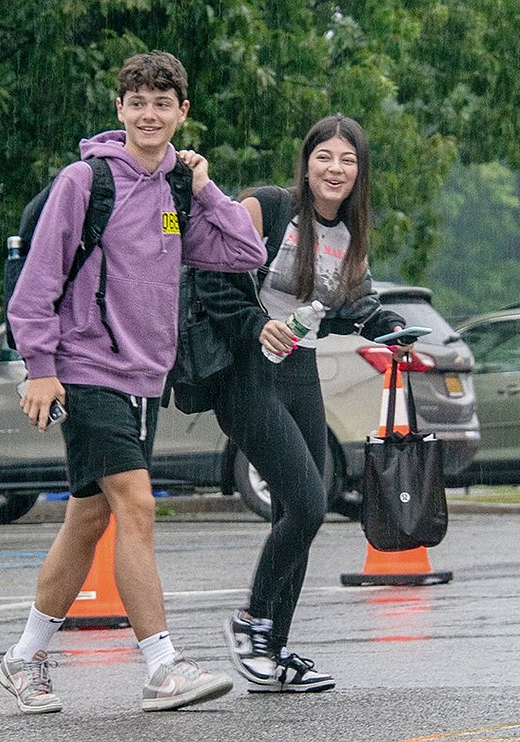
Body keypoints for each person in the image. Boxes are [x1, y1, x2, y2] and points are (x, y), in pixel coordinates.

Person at [0, 50, 266, 714]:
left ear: (182, 112)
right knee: (137, 510)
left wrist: (204, 187)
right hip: (89, 370)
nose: (150, 113)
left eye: (163, 102)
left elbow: (244, 252)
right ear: (119, 110)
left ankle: (23, 657)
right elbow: (35, 286)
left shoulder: (177, 191)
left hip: (145, 379)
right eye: (138, 102)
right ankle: (162, 666)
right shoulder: (85, 181)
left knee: (89, 519)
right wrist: (40, 367)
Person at [189, 114, 412, 693]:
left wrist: (385, 322)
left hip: (300, 368)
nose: (335, 170)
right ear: (306, 161)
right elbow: (210, 277)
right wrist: (256, 325)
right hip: (245, 371)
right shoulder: (266, 208)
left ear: (360, 172)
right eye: (325, 157)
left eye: (347, 160)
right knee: (308, 504)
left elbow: (352, 302)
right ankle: (251, 625)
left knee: (309, 506)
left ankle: (275, 649)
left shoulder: (350, 232)